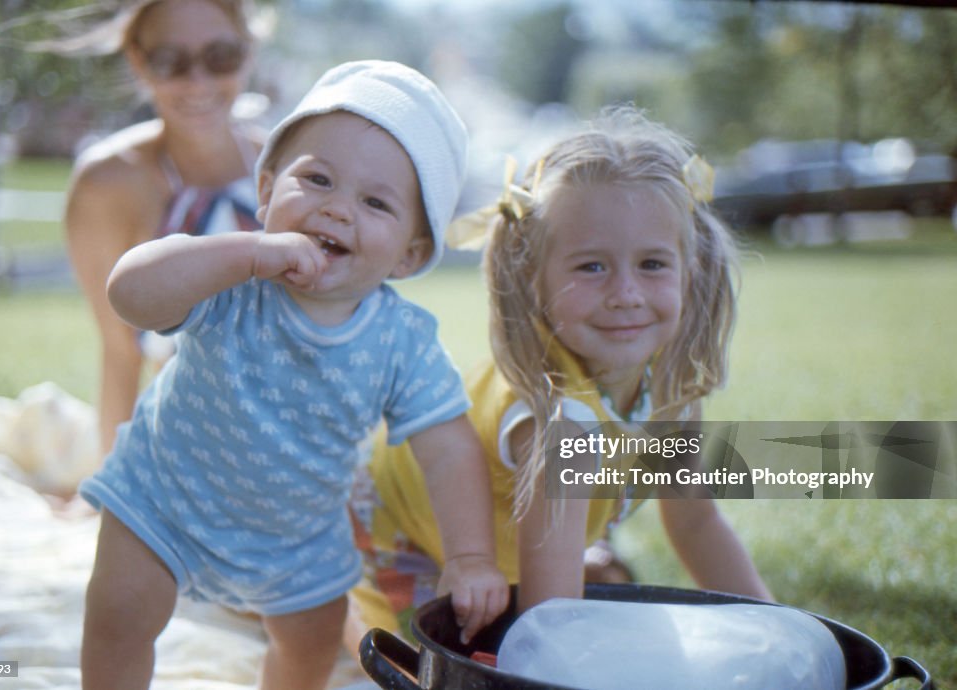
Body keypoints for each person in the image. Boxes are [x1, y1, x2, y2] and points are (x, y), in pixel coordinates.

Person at [78, 60, 509, 690]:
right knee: (117, 615)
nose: (337, 209)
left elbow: (446, 447)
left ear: (410, 255)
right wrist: (246, 254)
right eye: (318, 180)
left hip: (297, 538)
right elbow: (130, 294)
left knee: (310, 647)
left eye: (375, 202)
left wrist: (471, 557)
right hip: (164, 499)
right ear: (268, 189)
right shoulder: (228, 279)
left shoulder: (400, 341)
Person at [348, 106, 772, 643]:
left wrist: (780, 630)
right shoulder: (560, 426)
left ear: (693, 267)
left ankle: (590, 564)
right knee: (393, 668)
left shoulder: (671, 386)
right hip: (381, 540)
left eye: (653, 264)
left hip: (487, 558)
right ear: (534, 280)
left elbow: (696, 524)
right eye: (592, 266)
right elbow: (550, 626)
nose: (626, 294)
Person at [64, 0, 264, 460]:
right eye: (170, 61)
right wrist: (111, 495)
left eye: (220, 57)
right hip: (191, 456)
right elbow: (120, 354)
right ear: (137, 60)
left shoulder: (290, 164)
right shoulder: (106, 185)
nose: (198, 82)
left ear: (248, 50)